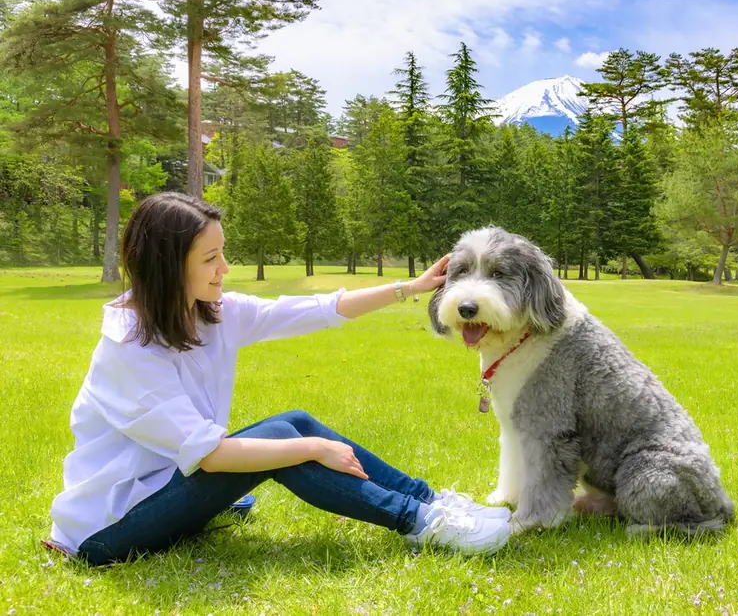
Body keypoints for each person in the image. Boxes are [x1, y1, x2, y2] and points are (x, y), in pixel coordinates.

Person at [46, 192, 510, 566]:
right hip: (108, 529)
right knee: (286, 444)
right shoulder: (128, 349)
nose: (224, 269)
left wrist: (406, 288)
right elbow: (210, 456)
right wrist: (312, 449)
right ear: (170, 266)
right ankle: (422, 523)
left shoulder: (207, 314)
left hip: (164, 485)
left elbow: (315, 309)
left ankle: (430, 501)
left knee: (295, 421)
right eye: (211, 258)